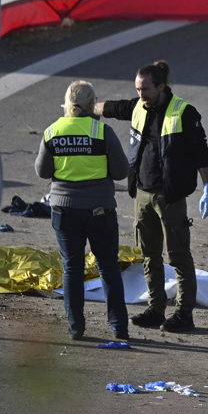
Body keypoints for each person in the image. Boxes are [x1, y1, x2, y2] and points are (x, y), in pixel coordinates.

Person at [96, 60, 208, 333]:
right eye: (138, 89)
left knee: (179, 257)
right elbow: (110, 108)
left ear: (161, 87)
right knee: (149, 255)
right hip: (142, 194)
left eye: (146, 89)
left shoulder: (184, 112)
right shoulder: (138, 106)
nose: (141, 95)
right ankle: (155, 308)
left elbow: (202, 152)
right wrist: (81, 106)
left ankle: (184, 315)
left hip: (169, 198)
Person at [36, 80, 130, 341]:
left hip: (65, 212)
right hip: (100, 211)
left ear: (66, 103)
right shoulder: (103, 132)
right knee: (108, 267)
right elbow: (122, 171)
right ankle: (119, 327)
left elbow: (43, 172)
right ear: (93, 104)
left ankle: (76, 328)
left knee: (72, 268)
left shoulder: (52, 131)